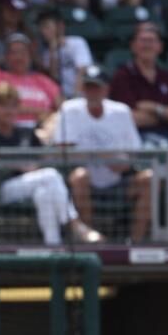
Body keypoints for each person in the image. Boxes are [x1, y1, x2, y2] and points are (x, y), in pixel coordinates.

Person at [0, 83, 101, 245]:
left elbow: (43, 157)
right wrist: (17, 166)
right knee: (50, 176)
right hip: (0, 189)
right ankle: (74, 224)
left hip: (32, 184)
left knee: (45, 193)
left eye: (12, 106)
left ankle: (53, 245)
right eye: (4, 106)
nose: (9, 111)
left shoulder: (26, 133)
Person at [49, 65, 153, 242]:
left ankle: (135, 242)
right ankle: (89, 240)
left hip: (118, 181)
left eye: (97, 87)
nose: (93, 92)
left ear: (106, 89)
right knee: (80, 176)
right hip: (83, 184)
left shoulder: (121, 112)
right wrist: (102, 157)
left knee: (148, 178)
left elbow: (134, 154)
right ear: (82, 89)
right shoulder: (70, 109)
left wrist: (121, 164)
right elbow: (62, 152)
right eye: (89, 87)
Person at [109, 23, 168, 145]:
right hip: (134, 139)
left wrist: (155, 108)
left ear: (160, 47)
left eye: (151, 41)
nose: (147, 45)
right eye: (143, 40)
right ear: (133, 46)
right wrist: (167, 117)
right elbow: (126, 118)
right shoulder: (122, 76)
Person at [0, 33, 62, 128]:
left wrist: (50, 116)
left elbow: (61, 108)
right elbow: (3, 107)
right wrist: (41, 111)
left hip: (44, 130)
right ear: (6, 57)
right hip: (10, 130)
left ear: (30, 55)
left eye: (23, 52)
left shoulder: (43, 80)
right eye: (14, 52)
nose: (19, 57)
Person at [33, 7, 94, 100]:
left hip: (80, 96)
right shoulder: (46, 54)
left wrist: (76, 97)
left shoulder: (77, 42)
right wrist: (53, 51)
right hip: (61, 98)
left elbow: (82, 71)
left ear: (60, 26)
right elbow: (54, 78)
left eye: (46, 27)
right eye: (41, 28)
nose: (43, 31)